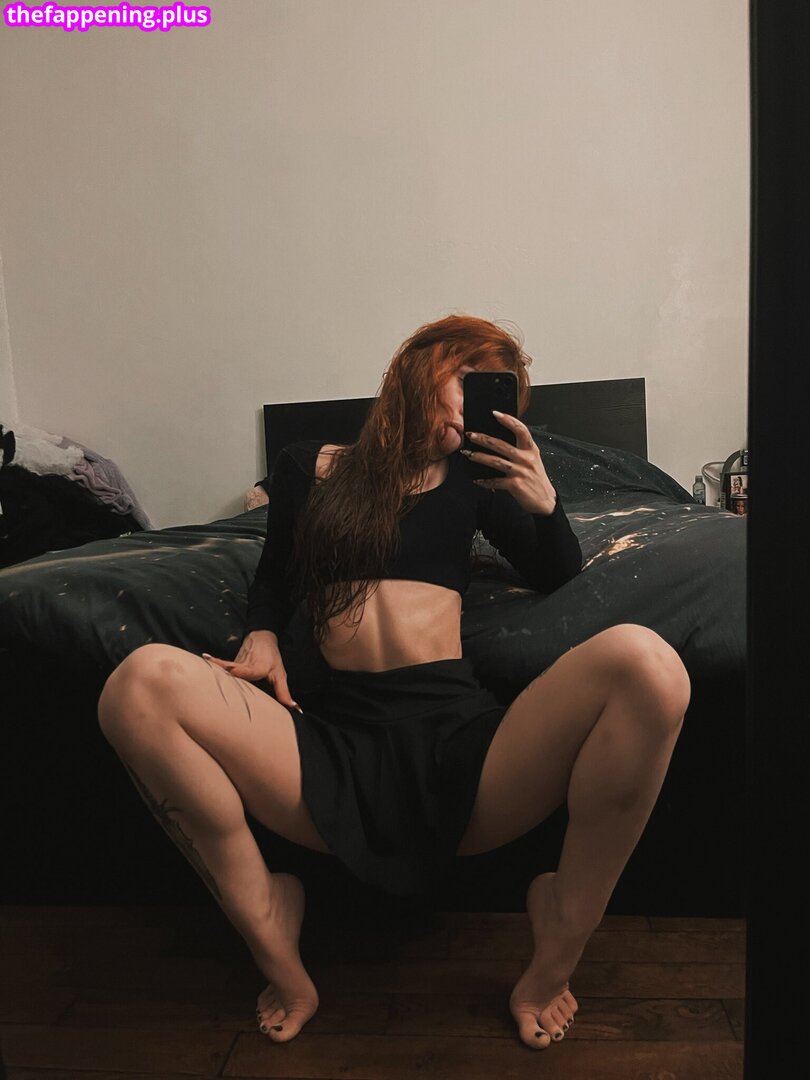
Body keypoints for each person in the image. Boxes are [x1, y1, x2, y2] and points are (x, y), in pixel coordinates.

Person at [97, 315, 689, 1052]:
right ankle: (270, 927)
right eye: (469, 383)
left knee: (650, 664)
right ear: (420, 365)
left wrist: (544, 506)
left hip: (459, 744)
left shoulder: (476, 476)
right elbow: (275, 577)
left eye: (498, 397)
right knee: (137, 685)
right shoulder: (306, 466)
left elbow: (554, 570)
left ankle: (558, 943)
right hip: (327, 743)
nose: (477, 411)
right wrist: (262, 632)